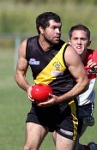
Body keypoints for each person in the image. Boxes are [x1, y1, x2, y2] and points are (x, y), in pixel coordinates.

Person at [14, 12, 89, 150]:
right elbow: (19, 73)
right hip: (40, 107)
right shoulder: (27, 46)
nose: (58, 32)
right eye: (54, 28)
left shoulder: (67, 51)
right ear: (41, 29)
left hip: (65, 109)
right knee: (28, 148)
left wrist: (59, 99)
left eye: (59, 28)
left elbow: (83, 82)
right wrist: (28, 88)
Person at [68, 24, 97, 150]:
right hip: (64, 105)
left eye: (82, 39)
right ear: (69, 41)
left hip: (84, 107)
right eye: (75, 39)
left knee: (69, 145)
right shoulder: (63, 56)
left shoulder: (96, 56)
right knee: (63, 144)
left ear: (89, 42)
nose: (79, 42)